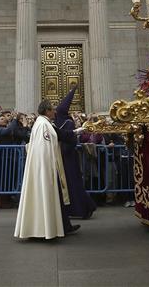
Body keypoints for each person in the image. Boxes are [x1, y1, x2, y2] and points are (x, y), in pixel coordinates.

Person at [14, 99, 79, 239]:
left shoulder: (44, 123)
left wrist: (78, 130)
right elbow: (43, 149)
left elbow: (60, 135)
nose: (55, 111)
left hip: (49, 165)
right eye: (53, 109)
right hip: (46, 166)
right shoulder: (43, 125)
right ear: (47, 111)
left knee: (59, 197)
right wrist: (49, 167)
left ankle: (64, 225)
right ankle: (50, 228)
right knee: (53, 195)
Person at [54, 86, 95, 220]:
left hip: (68, 156)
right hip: (62, 156)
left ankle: (83, 208)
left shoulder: (68, 123)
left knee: (73, 182)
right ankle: (71, 209)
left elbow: (71, 140)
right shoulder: (58, 122)